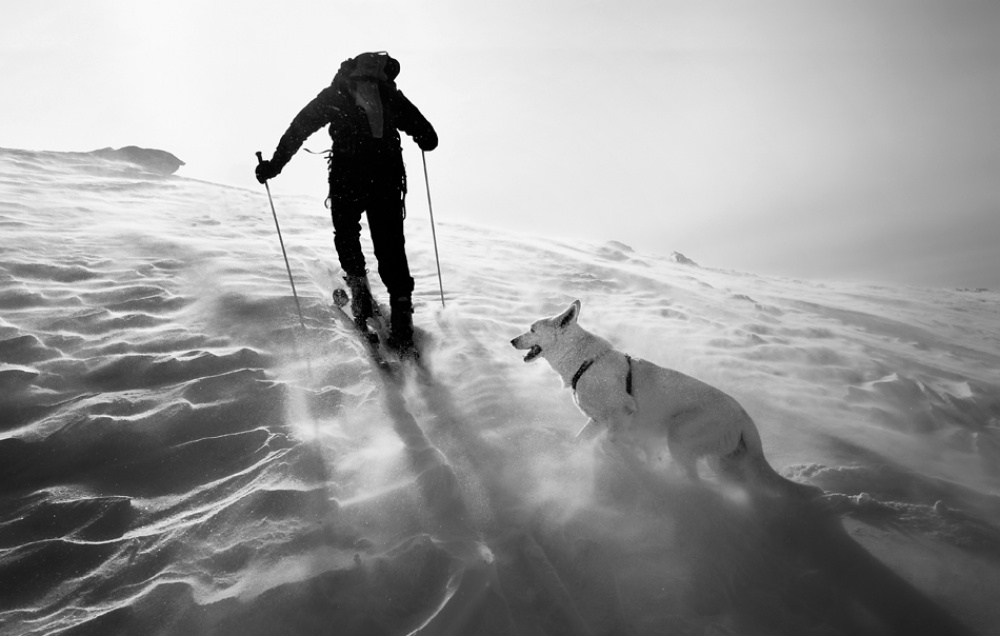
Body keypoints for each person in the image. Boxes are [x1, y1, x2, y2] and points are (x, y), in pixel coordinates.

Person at [255, 51, 437, 352]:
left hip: (346, 175)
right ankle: (402, 318)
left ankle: (360, 294)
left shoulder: (336, 93)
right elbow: (429, 138)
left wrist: (273, 165)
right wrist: (418, 136)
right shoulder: (391, 95)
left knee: (347, 233)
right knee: (390, 244)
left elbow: (299, 128)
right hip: (387, 179)